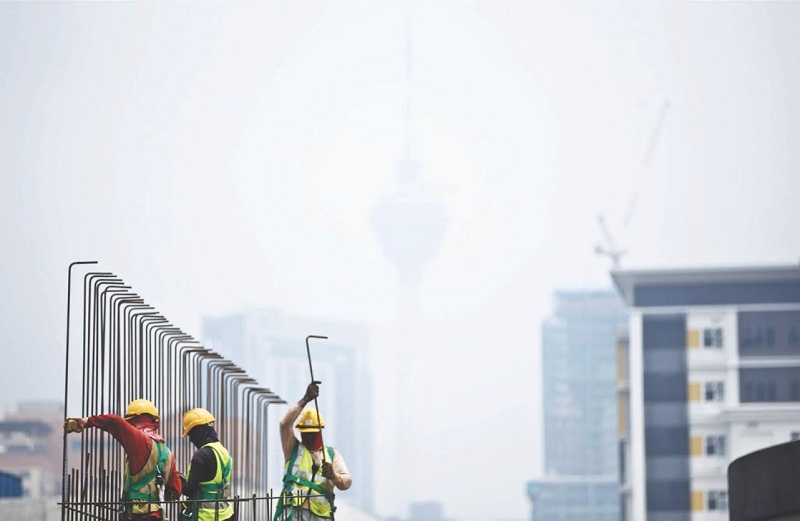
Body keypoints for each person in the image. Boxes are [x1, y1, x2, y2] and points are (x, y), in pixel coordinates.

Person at [64, 398, 182, 521]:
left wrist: (86, 422)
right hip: (157, 516)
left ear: (131, 421)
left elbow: (114, 421)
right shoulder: (168, 454)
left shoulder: (140, 441)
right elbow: (176, 491)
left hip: (138, 515)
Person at [274, 382, 351, 521]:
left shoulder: (331, 455)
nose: (308, 436)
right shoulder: (292, 448)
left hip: (320, 516)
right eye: (305, 433)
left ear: (319, 431)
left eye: (312, 433)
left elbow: (346, 482)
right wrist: (305, 399)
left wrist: (333, 476)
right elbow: (284, 424)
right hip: (293, 513)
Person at [181, 407, 235, 521]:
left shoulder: (200, 456)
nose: (190, 440)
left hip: (205, 516)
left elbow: (190, 489)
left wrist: (174, 481)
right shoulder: (223, 451)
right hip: (226, 514)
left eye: (190, 434)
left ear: (198, 431)